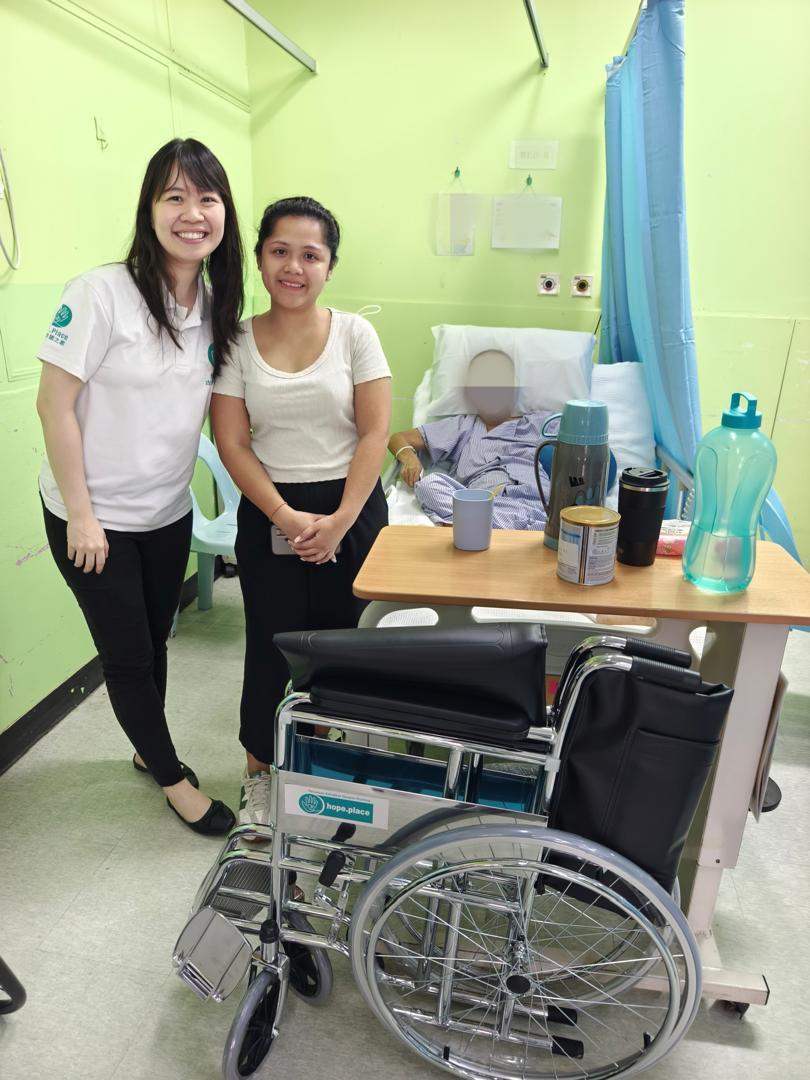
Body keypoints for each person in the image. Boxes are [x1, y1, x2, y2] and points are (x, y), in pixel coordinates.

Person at [36, 138, 244, 836]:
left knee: (156, 639)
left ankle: (141, 744)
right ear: (149, 210)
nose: (192, 213)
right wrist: (82, 516)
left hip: (166, 511)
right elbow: (53, 406)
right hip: (92, 517)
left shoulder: (215, 304)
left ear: (224, 213)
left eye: (207, 198)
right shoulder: (100, 294)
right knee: (127, 656)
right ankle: (172, 779)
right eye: (174, 197)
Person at [211, 196, 392, 826]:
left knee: (346, 645)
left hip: (352, 508)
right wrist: (284, 517)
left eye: (310, 255)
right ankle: (259, 775)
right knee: (271, 646)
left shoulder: (355, 334)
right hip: (272, 508)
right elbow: (231, 441)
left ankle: (333, 767)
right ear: (260, 259)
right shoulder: (236, 340)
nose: (294, 266)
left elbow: (375, 433)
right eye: (280, 251)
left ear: (329, 266)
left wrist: (340, 521)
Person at [388, 349, 554, 530]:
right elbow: (399, 438)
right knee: (428, 485)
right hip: (485, 505)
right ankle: (498, 529)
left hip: (538, 502)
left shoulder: (539, 423)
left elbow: (578, 443)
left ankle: (476, 528)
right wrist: (409, 458)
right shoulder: (463, 427)